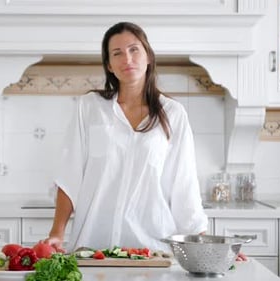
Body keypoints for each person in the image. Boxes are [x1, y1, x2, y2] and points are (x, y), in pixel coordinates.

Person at [44, 22, 246, 261]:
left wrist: (207, 247)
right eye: (116, 53)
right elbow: (70, 174)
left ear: (148, 55)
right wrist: (57, 232)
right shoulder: (90, 108)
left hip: (152, 250)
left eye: (134, 49)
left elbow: (184, 188)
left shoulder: (173, 114)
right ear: (109, 65)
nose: (126, 58)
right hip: (92, 250)